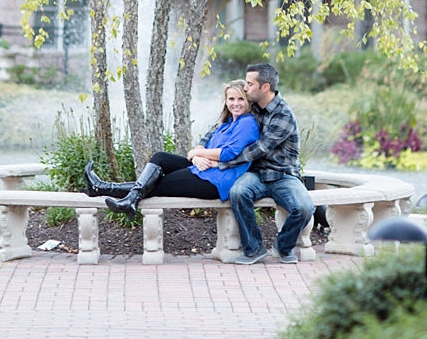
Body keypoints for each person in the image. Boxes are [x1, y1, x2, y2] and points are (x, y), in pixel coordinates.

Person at [80, 81, 261, 214]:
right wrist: (196, 157)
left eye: (241, 99)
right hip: (203, 169)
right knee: (160, 158)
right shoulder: (226, 123)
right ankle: (118, 195)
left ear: (248, 101)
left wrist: (196, 153)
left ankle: (104, 189)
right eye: (231, 98)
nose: (235, 103)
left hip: (217, 180)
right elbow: (203, 145)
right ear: (226, 101)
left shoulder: (247, 123)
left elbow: (228, 154)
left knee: (156, 184)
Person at [219, 62, 314, 264]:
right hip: (256, 174)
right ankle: (253, 249)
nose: (245, 88)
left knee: (304, 208)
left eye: (249, 84)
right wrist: (200, 150)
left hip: (283, 176)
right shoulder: (250, 108)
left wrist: (221, 162)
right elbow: (221, 126)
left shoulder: (283, 114)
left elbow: (259, 149)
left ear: (265, 87)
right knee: (238, 192)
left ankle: (283, 246)